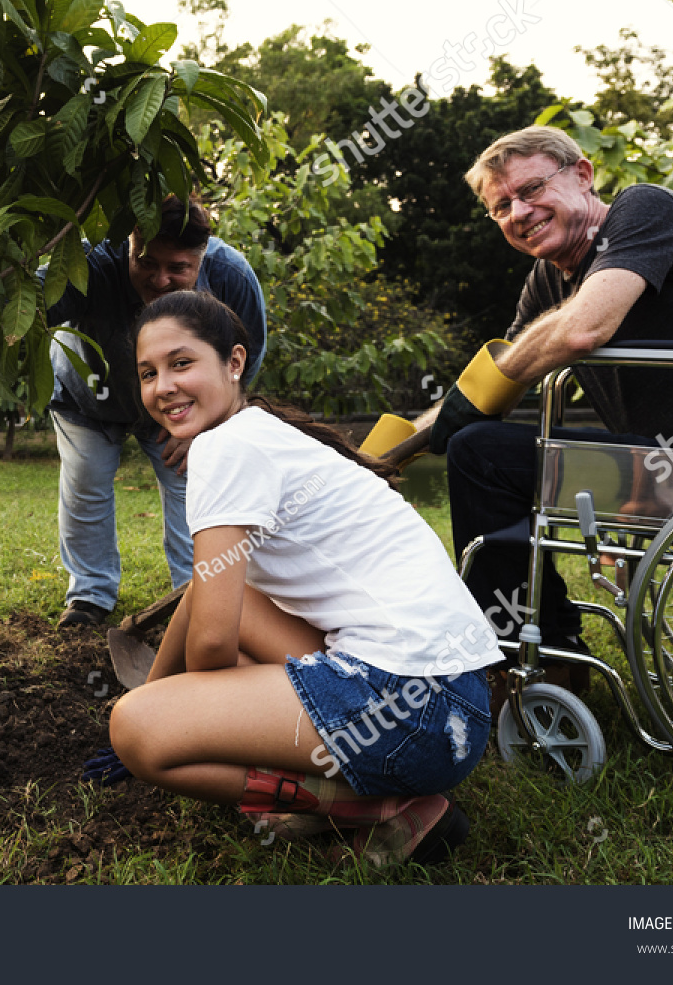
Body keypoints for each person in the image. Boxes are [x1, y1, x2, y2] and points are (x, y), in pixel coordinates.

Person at [93, 291, 501, 867]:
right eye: (148, 373)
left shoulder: (223, 448)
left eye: (182, 363)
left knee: (135, 729)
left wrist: (158, 714)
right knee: (237, 603)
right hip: (457, 705)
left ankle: (373, 810)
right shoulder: (263, 432)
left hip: (406, 708)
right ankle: (374, 781)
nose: (163, 386)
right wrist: (156, 686)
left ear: (234, 362)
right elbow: (206, 595)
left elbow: (210, 643)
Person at [423, 126, 673, 673]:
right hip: (669, 462)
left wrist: (488, 386)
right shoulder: (546, 280)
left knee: (479, 453)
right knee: (477, 445)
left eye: (531, 189)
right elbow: (496, 385)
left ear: (582, 175)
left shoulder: (645, 210)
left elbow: (582, 330)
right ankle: (544, 651)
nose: (519, 211)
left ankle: (537, 660)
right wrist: (384, 457)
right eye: (501, 206)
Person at [42, 195, 266, 628]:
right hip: (87, 395)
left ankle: (194, 593)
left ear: (201, 259)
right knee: (86, 481)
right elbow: (31, 304)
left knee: (191, 491)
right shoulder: (94, 263)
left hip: (178, 407)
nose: (161, 279)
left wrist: (210, 424)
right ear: (130, 243)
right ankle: (89, 597)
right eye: (146, 262)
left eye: (178, 268)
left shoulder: (231, 275)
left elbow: (246, 354)